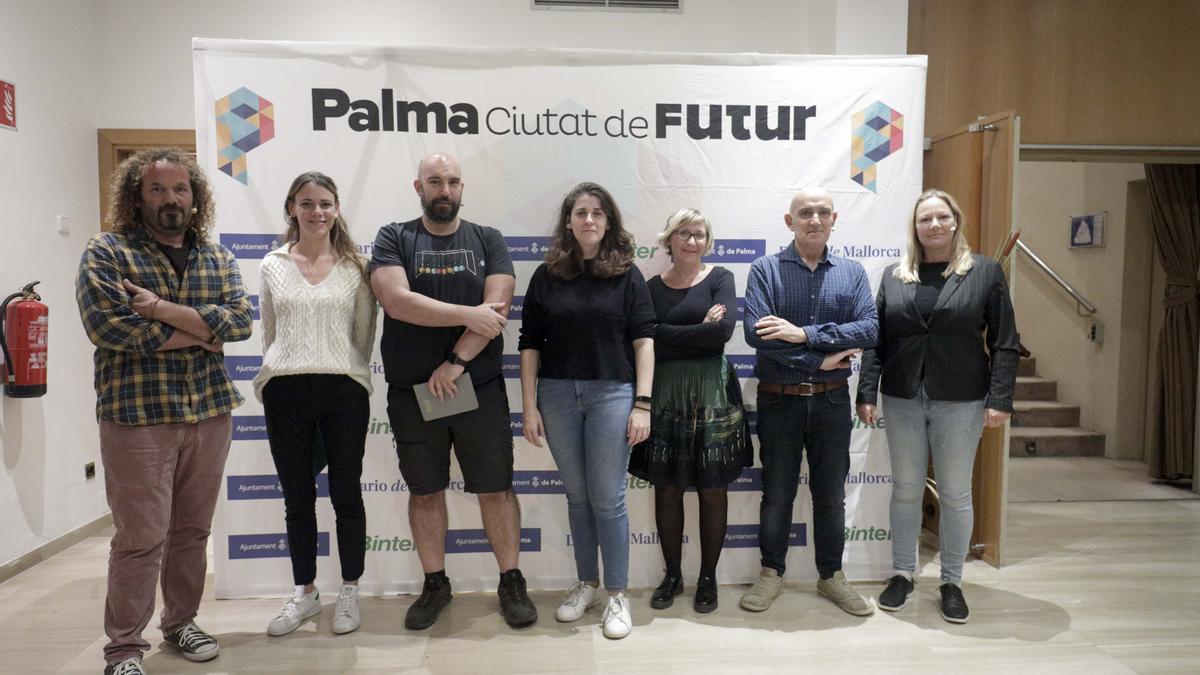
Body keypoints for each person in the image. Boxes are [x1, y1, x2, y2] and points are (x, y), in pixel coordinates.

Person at [76, 148, 253, 675]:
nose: (171, 199)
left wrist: (158, 311)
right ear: (137, 195)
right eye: (158, 189)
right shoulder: (107, 252)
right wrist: (202, 333)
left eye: (181, 189)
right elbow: (109, 328)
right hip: (137, 416)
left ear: (195, 197)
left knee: (192, 530)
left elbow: (240, 322)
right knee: (139, 537)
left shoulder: (216, 257)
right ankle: (124, 648)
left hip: (210, 413)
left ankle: (181, 622)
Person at [369, 152, 536, 630]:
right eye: (435, 181)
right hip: (411, 391)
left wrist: (456, 361)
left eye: (453, 182)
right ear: (417, 187)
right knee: (425, 492)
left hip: (477, 388)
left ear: (463, 188)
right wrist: (468, 313)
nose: (445, 190)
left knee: (496, 489)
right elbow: (398, 302)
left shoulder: (488, 239)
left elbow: (497, 306)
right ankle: (436, 583)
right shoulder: (393, 237)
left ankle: (510, 581)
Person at [855, 189, 1019, 624]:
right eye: (925, 219)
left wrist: (1000, 398)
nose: (933, 225)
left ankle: (951, 581)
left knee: (954, 493)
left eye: (941, 217)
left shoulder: (984, 272)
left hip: (962, 399)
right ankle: (902, 574)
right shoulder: (895, 275)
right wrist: (866, 392)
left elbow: (1004, 341)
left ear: (955, 221)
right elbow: (877, 341)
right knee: (906, 490)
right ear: (915, 227)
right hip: (904, 396)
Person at [519, 182, 655, 639]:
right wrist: (528, 407)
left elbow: (644, 342)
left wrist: (642, 404)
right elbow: (529, 345)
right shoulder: (546, 275)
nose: (589, 220)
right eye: (581, 212)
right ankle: (587, 583)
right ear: (568, 221)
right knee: (577, 497)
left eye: (598, 212)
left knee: (608, 498)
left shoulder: (627, 275)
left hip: (612, 395)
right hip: (556, 396)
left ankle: (617, 593)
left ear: (609, 221)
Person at [739, 187, 878, 617]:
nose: (814, 219)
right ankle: (771, 573)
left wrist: (804, 336)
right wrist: (824, 361)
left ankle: (831, 575)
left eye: (822, 212)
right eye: (805, 213)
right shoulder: (765, 270)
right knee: (777, 492)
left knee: (830, 494)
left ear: (834, 219)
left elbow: (869, 331)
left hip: (833, 404)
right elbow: (756, 335)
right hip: (779, 401)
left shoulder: (852, 272)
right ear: (790, 221)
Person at [252, 172, 377, 637]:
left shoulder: (355, 267)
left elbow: (364, 336)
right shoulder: (272, 264)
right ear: (292, 208)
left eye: (326, 203)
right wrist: (283, 368)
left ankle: (349, 591)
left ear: (337, 208)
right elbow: (270, 332)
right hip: (286, 390)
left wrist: (343, 368)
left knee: (347, 492)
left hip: (343, 389)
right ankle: (304, 594)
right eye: (307, 203)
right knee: (297, 497)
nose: (317, 211)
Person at [628, 208, 751, 613]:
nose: (691, 241)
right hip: (663, 394)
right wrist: (696, 329)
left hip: (712, 393)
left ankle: (709, 579)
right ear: (669, 239)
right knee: (668, 486)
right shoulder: (649, 286)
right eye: (683, 233)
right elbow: (648, 339)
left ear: (707, 241)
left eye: (699, 234)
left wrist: (675, 333)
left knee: (714, 489)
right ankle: (672, 576)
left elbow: (721, 333)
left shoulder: (720, 279)